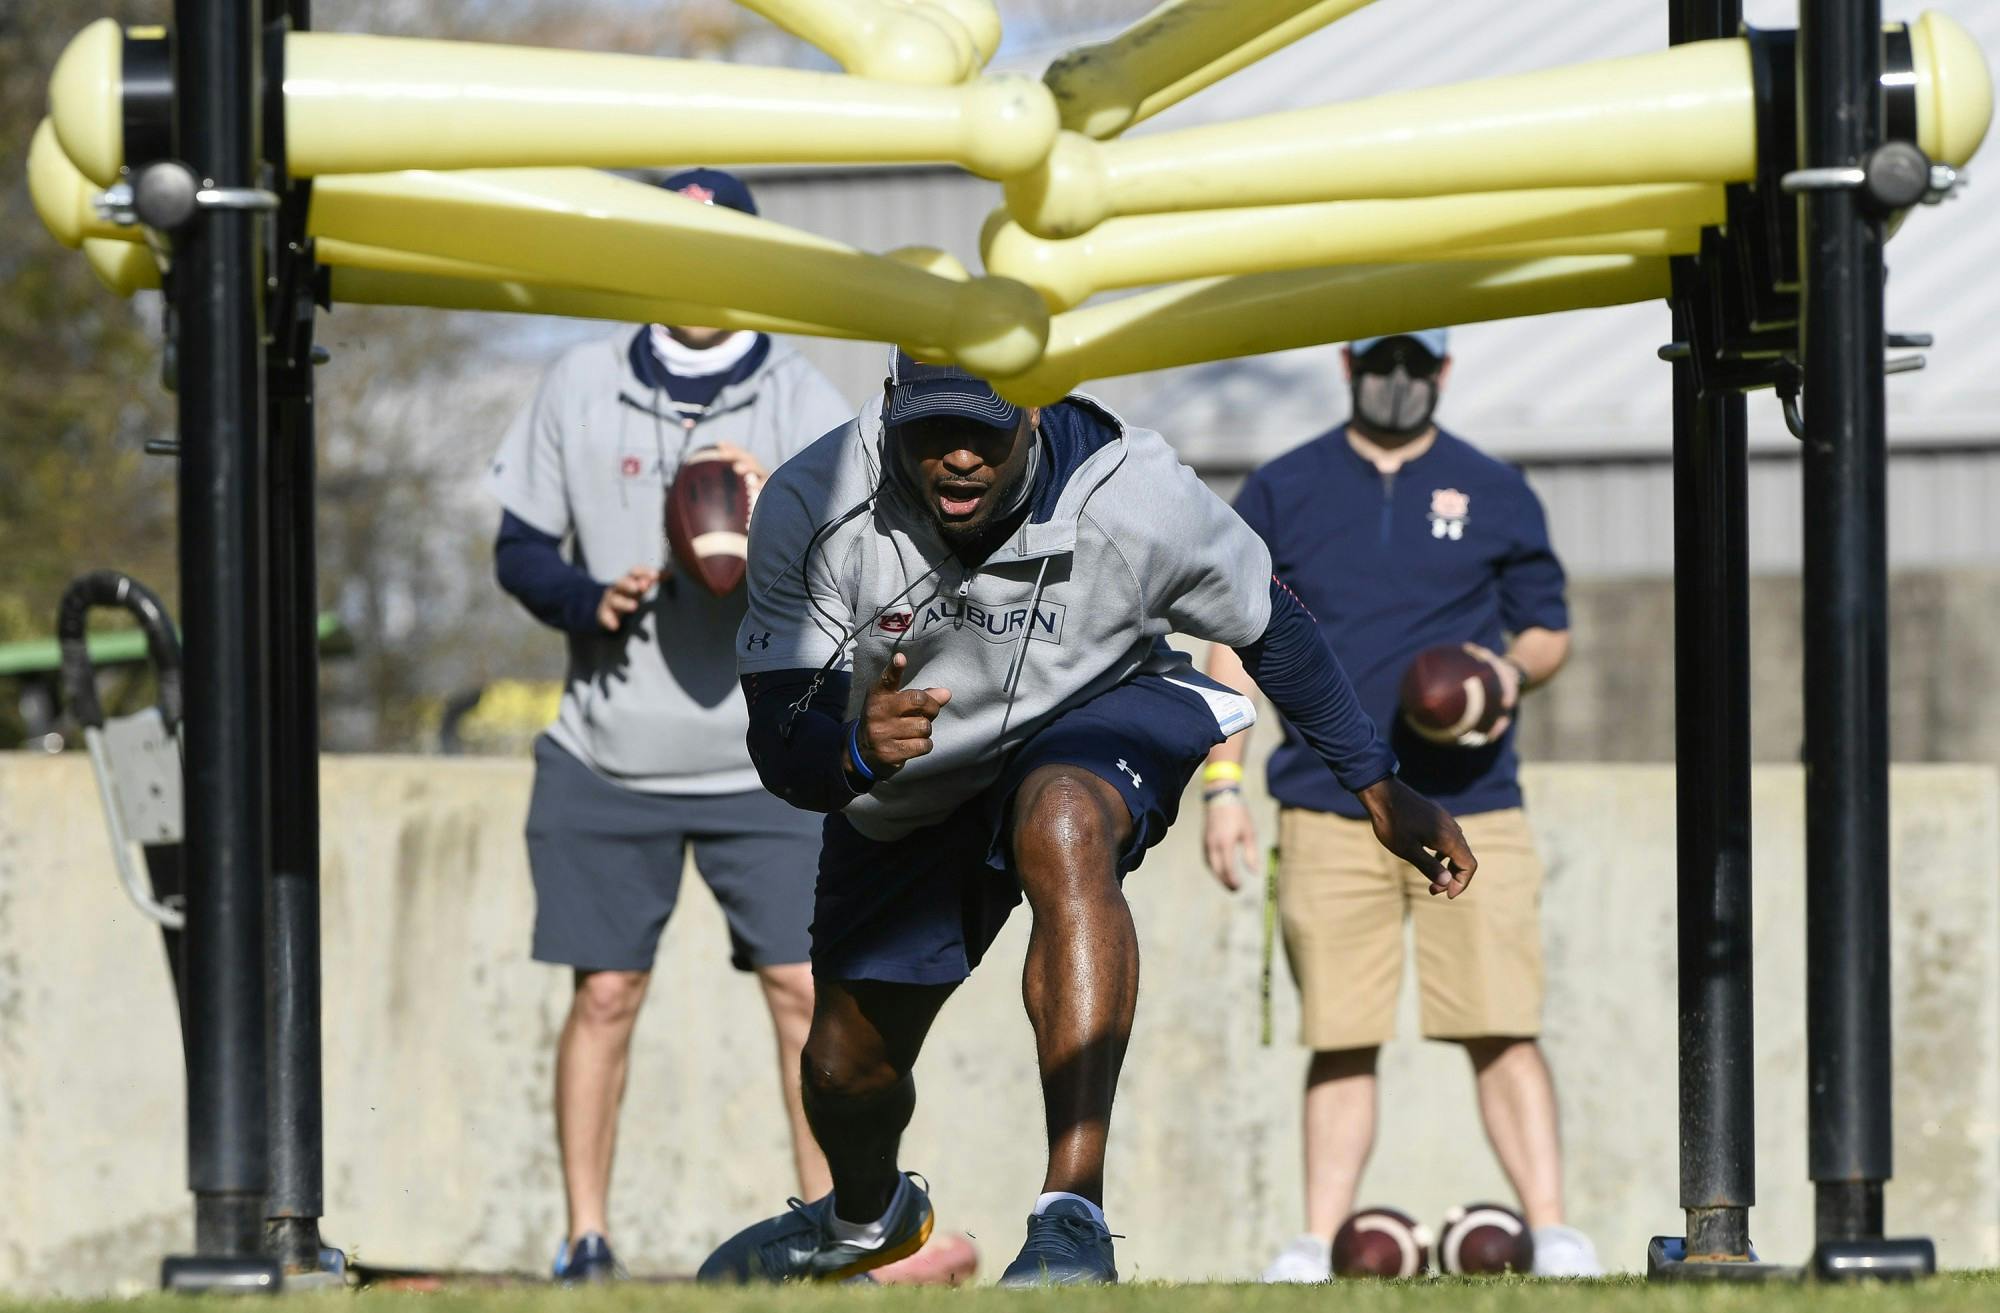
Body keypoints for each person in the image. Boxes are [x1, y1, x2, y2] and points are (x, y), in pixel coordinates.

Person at [696, 349, 1477, 1287]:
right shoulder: (811, 500)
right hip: (913, 770)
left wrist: (1378, 784)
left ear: (1035, 406)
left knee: (1061, 819)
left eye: (983, 429)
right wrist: (854, 751)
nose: (957, 459)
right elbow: (783, 743)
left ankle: (1071, 1216)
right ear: (892, 408)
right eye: (932, 429)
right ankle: (864, 1217)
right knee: (843, 1067)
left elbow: (1269, 624)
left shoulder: (1134, 492)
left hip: (1098, 705)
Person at [486, 168, 857, 1283]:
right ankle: (585, 1236)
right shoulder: (579, 380)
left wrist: (773, 505)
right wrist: (582, 596)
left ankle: (832, 1231)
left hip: (764, 754)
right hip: (610, 746)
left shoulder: (802, 392)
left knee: (803, 988)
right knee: (604, 990)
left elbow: (862, 566)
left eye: (719, 248)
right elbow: (517, 547)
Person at [1199, 330, 1600, 1280]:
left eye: (1417, 365)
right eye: (1381, 361)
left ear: (1443, 375)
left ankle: (1551, 1233)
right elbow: (1234, 639)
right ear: (1348, 367)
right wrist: (1224, 784)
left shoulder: (1494, 486)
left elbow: (1548, 631)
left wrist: (1503, 671)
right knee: (1341, 1032)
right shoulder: (1283, 488)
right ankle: (1313, 1239)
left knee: (1501, 1020)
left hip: (1473, 804)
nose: (1398, 380)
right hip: (1328, 805)